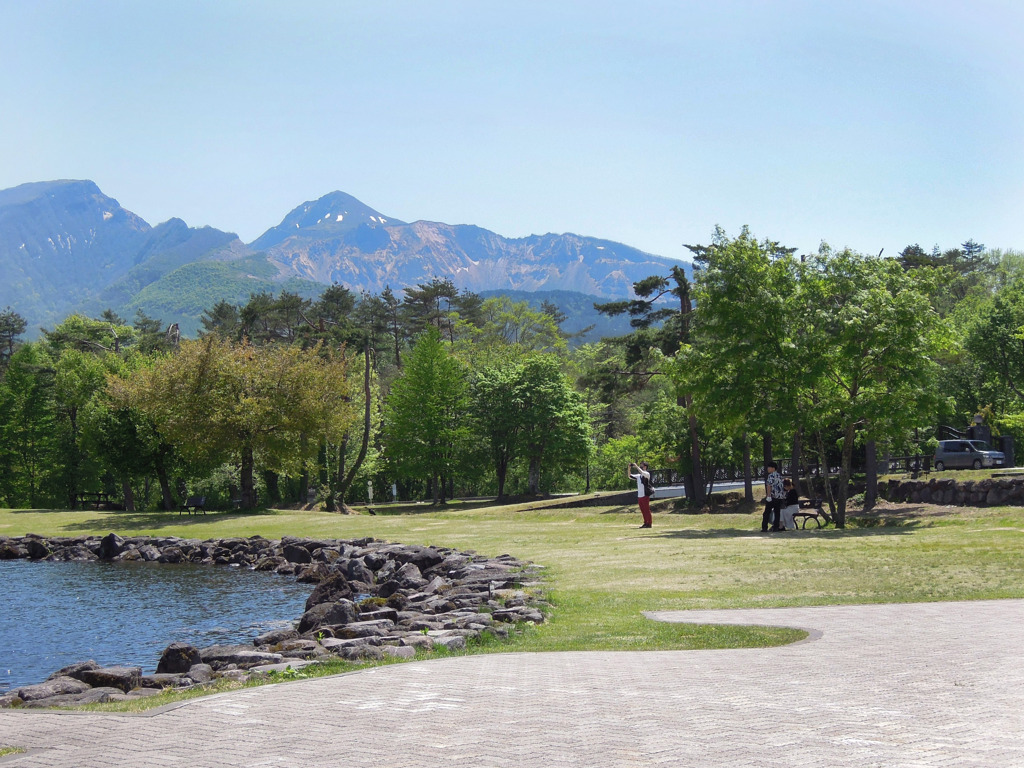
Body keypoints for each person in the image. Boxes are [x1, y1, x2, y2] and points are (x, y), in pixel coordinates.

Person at [628, 461, 653, 529]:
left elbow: (642, 472)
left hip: (645, 495)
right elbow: (630, 476)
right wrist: (629, 468)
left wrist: (636, 466)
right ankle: (645, 522)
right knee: (643, 510)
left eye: (642, 465)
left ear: (645, 467)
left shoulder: (647, 474)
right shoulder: (639, 476)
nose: (641, 466)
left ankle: (649, 523)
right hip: (640, 496)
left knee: (647, 510)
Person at [763, 461, 785, 532]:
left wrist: (768, 495)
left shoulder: (771, 476)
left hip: (772, 497)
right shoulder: (779, 475)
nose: (768, 469)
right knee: (777, 513)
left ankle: (764, 527)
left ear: (773, 468)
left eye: (769, 467)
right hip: (779, 497)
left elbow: (769, 485)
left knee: (767, 512)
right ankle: (776, 527)